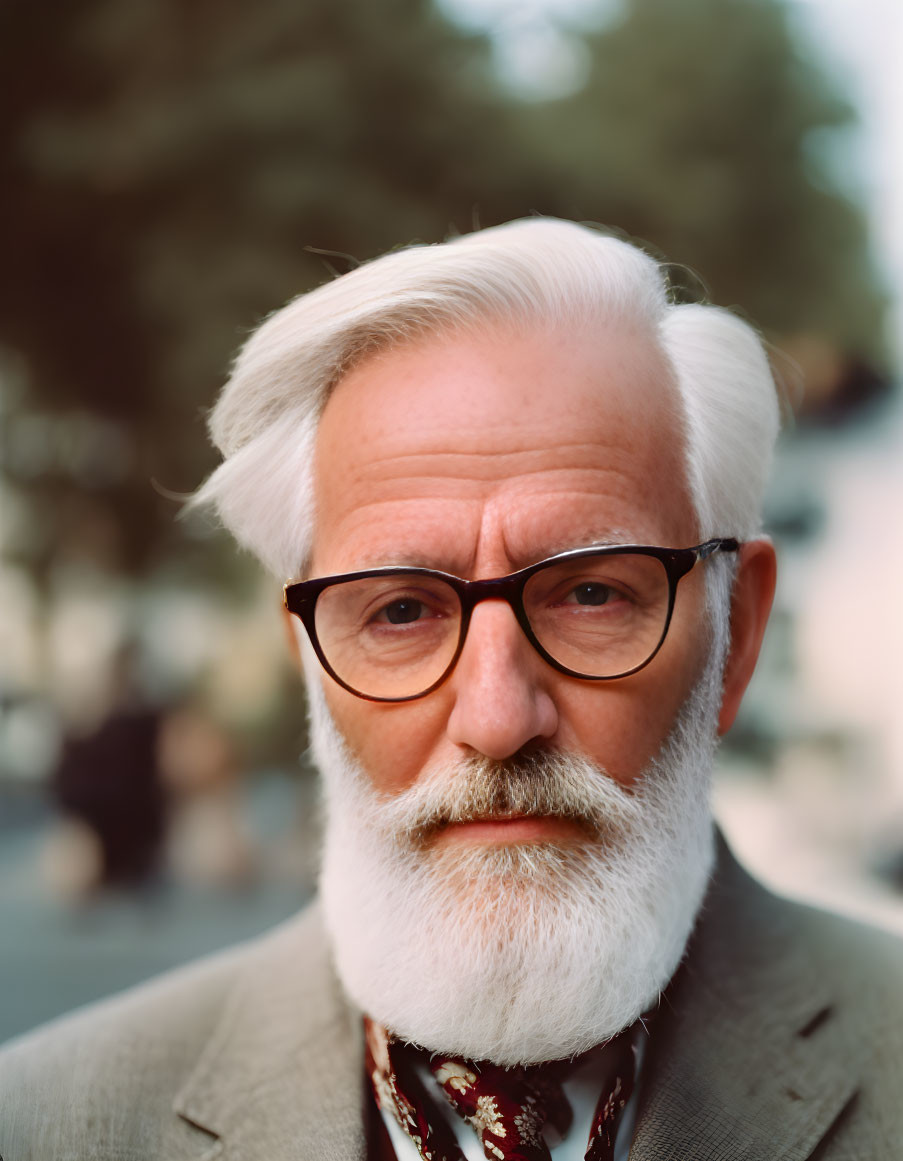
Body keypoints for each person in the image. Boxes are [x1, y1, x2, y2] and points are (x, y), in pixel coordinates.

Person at [1, 218, 901, 1159]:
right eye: (399, 612)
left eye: (591, 594)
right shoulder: (41, 1123)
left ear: (736, 638)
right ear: (310, 657)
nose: (498, 717)